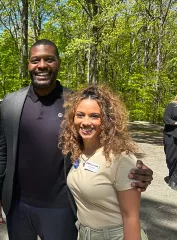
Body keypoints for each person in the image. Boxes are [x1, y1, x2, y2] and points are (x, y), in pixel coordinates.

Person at [0, 39, 154, 240]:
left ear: (58, 63)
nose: (42, 65)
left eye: (49, 59)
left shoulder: (76, 104)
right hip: (17, 206)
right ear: (28, 65)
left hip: (62, 209)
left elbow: (105, 143)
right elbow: (2, 152)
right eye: (35, 60)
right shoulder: (11, 103)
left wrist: (135, 170)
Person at [60, 84, 148, 239]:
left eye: (95, 116)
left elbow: (131, 217)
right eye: (80, 115)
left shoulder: (121, 159)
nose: (86, 122)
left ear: (107, 120)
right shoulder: (77, 152)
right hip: (84, 234)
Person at [163, 88, 177, 190]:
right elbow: (166, 119)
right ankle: (171, 177)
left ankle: (175, 180)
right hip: (171, 135)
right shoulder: (172, 106)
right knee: (171, 157)